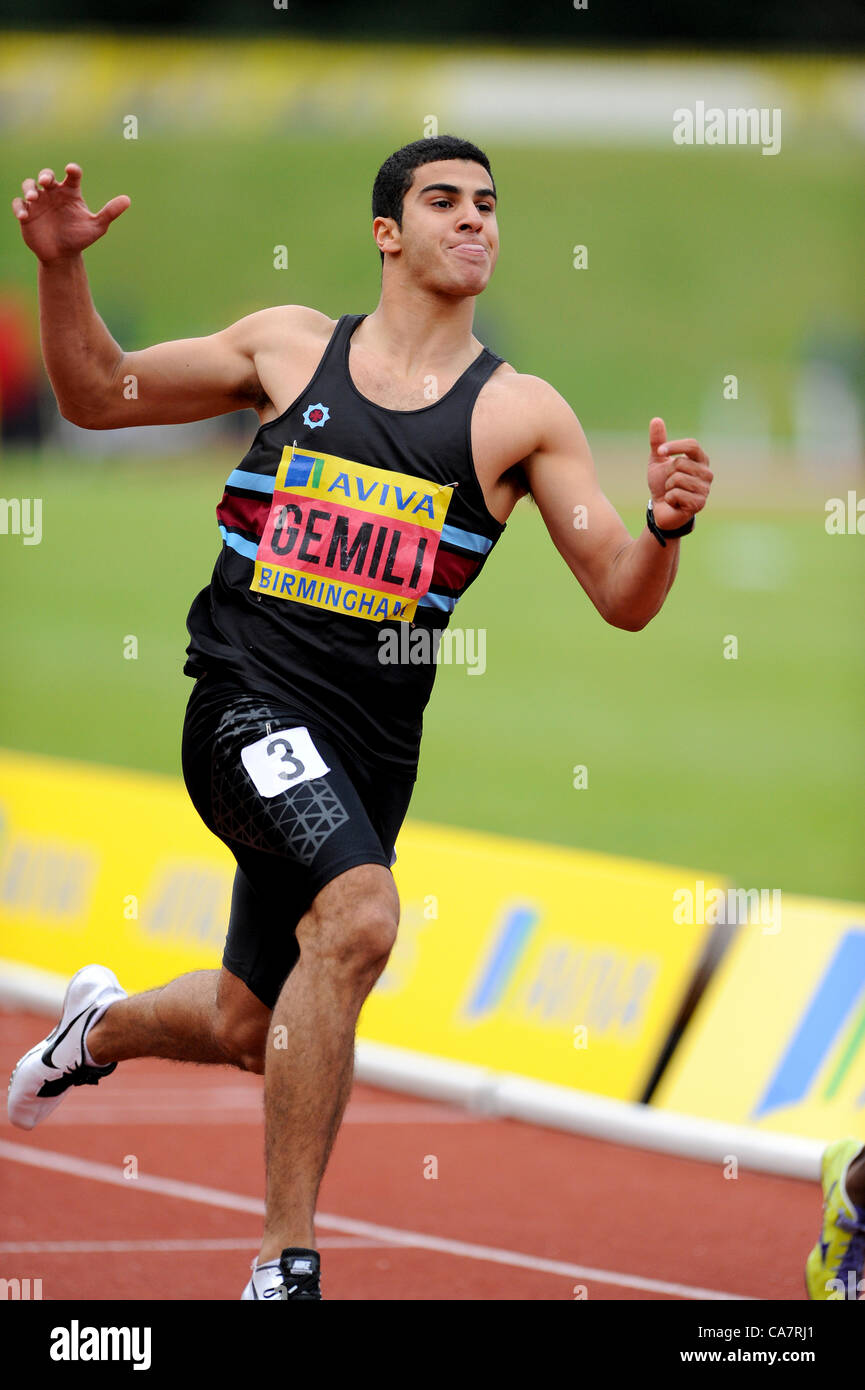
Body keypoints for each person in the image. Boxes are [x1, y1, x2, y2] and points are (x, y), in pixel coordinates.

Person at [7, 135, 712, 1301]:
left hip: (368, 753)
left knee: (249, 1019)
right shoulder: (288, 347)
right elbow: (94, 393)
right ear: (388, 232)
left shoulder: (521, 416)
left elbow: (624, 599)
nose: (474, 220)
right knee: (362, 913)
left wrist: (667, 527)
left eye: (489, 204)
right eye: (444, 202)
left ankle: (90, 1032)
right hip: (242, 705)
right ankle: (286, 1262)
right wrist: (60, 269)